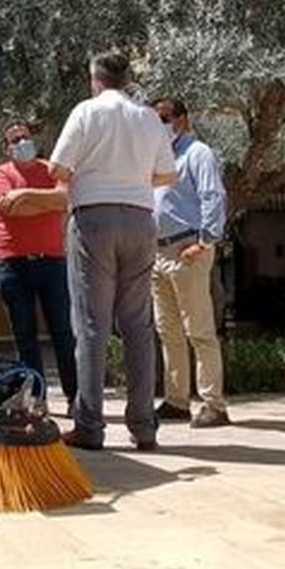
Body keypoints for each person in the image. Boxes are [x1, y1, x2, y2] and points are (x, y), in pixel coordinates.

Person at [48, 50, 177, 451]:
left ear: (95, 78)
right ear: (128, 80)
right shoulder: (148, 118)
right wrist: (133, 177)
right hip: (141, 220)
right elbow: (167, 173)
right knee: (138, 325)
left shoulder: (86, 112)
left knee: (91, 324)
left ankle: (90, 425)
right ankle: (144, 426)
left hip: (94, 220)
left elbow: (58, 170)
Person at [151, 97, 231, 428]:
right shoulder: (157, 159)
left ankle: (214, 404)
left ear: (183, 119)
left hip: (187, 250)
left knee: (198, 330)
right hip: (157, 254)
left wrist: (204, 241)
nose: (161, 125)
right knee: (167, 331)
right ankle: (176, 400)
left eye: (165, 118)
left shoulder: (198, 154)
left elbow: (214, 196)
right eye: (155, 119)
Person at [0, 121, 79, 407]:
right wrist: (46, 202)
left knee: (63, 331)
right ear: (7, 148)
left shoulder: (51, 169)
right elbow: (7, 207)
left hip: (51, 261)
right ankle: (37, 398)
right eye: (15, 139)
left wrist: (25, 196)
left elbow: (64, 199)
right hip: (13, 263)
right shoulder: (1, 174)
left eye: (25, 137)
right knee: (24, 334)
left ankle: (74, 395)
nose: (21, 143)